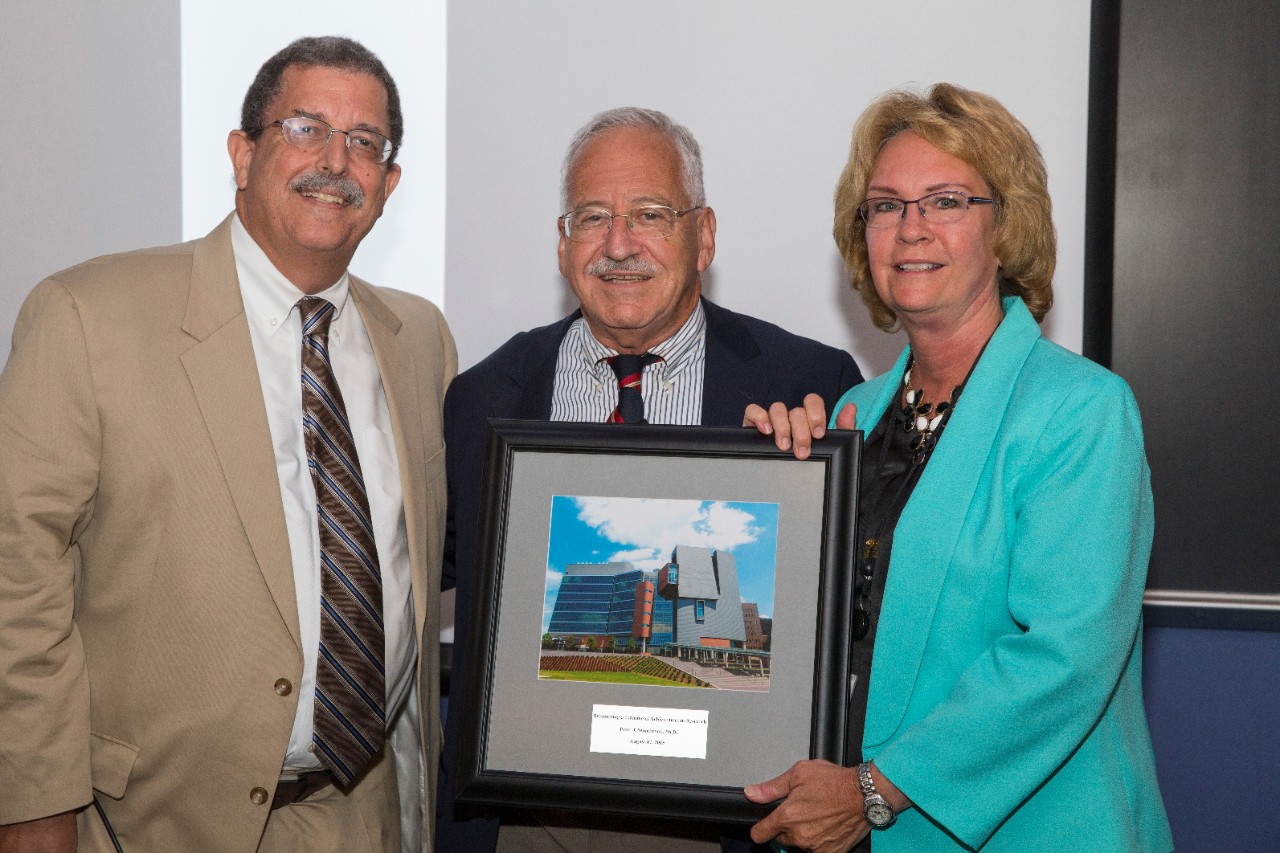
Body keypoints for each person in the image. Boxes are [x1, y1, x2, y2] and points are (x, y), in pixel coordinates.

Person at [0, 37, 455, 853]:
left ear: (388, 186)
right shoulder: (86, 316)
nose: (336, 161)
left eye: (365, 143)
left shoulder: (419, 338)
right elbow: (14, 575)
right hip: (143, 825)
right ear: (243, 154)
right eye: (306, 128)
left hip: (369, 814)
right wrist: (35, 807)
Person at [742, 84, 1174, 852]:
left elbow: (1061, 657)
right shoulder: (852, 415)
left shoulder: (1081, 412)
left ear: (1005, 230)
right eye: (885, 205)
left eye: (945, 200)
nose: (911, 229)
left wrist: (873, 789)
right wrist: (768, 490)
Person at [436, 107, 864, 853]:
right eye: (593, 216)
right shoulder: (483, 398)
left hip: (732, 818)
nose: (619, 244)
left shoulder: (808, 385)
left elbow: (848, 619)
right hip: (525, 816)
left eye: (650, 214)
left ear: (704, 235)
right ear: (562, 242)